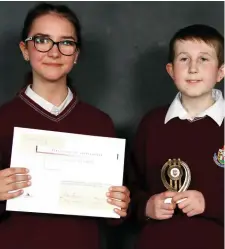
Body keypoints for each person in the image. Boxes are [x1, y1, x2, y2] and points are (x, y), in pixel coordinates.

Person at [0, 3, 130, 249]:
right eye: (42, 40)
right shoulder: (3, 120)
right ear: (25, 49)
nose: (54, 52)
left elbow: (114, 216)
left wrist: (121, 204)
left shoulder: (99, 123)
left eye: (66, 42)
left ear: (77, 54)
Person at [128, 24, 224, 249]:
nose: (193, 68)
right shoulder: (152, 124)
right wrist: (146, 207)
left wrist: (209, 203)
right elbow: (129, 189)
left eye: (203, 59)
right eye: (184, 59)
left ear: (221, 71)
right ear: (171, 71)